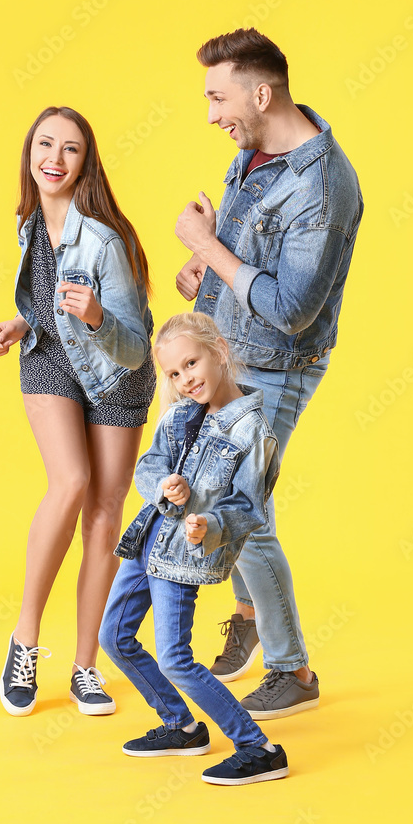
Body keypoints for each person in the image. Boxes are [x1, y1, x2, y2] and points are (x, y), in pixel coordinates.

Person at [174, 28, 363, 719]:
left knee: (238, 514)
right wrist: (204, 261)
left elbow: (288, 310)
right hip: (227, 347)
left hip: (275, 365)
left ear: (261, 92)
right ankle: (253, 610)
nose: (210, 113)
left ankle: (294, 671)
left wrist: (208, 248)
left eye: (217, 97)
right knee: (224, 498)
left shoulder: (324, 185)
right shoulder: (253, 149)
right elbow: (247, 254)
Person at [0, 105, 155, 717]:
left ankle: (87, 665)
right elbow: (43, 304)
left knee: (105, 513)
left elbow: (136, 345)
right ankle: (25, 641)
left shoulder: (106, 240)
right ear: (29, 154)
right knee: (71, 483)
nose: (53, 160)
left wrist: (96, 317)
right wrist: (22, 321)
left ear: (87, 163)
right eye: (45, 146)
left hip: (116, 372)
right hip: (50, 361)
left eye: (70, 150)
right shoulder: (27, 222)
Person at [99, 312, 288, 786]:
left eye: (191, 363)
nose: (186, 379)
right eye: (174, 373)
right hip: (148, 540)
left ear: (218, 350)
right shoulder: (179, 414)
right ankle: (181, 726)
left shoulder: (252, 432)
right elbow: (148, 467)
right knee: (115, 638)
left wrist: (209, 523)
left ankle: (258, 748)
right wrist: (164, 485)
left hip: (183, 556)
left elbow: (248, 506)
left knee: (174, 658)